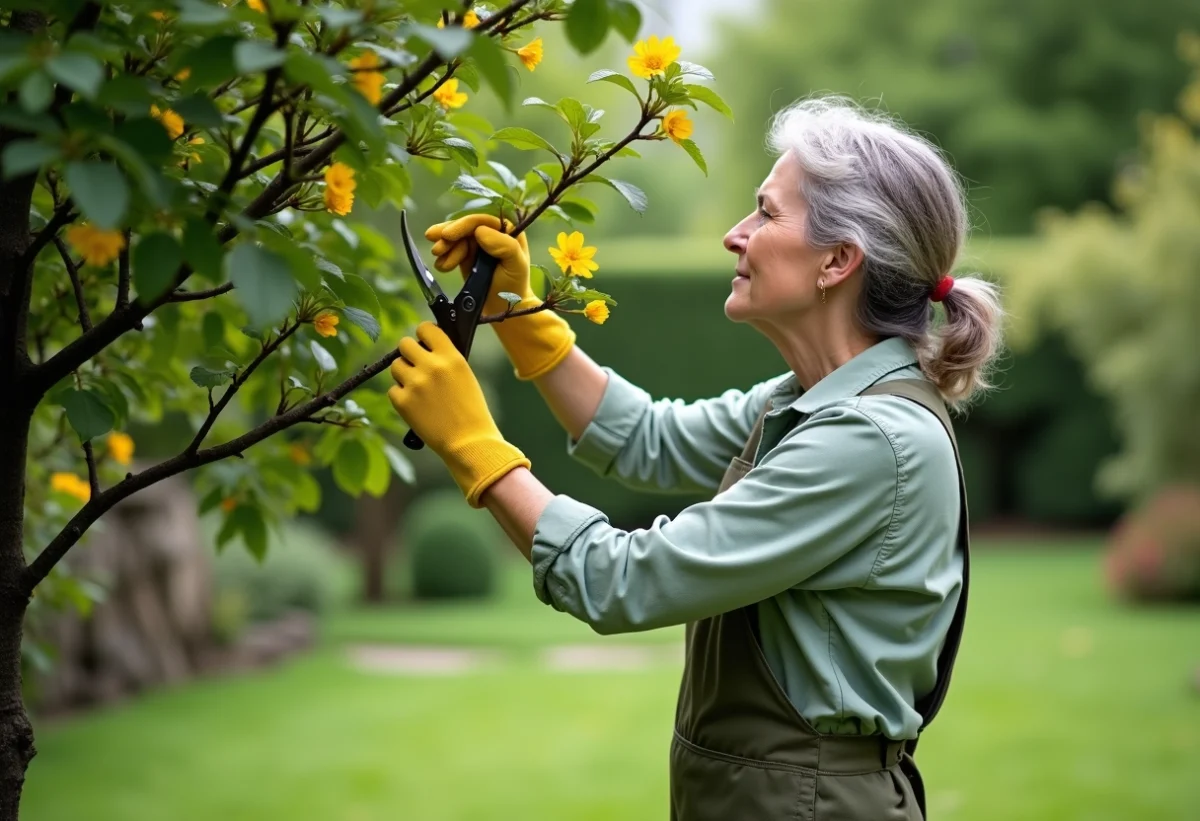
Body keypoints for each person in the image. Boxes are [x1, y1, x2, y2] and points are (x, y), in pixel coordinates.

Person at [387, 95, 1005, 820]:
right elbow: (647, 438)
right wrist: (519, 313)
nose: (734, 235)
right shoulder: (811, 402)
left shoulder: (871, 441)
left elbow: (620, 580)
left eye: (767, 214)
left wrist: (475, 448)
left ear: (838, 260)